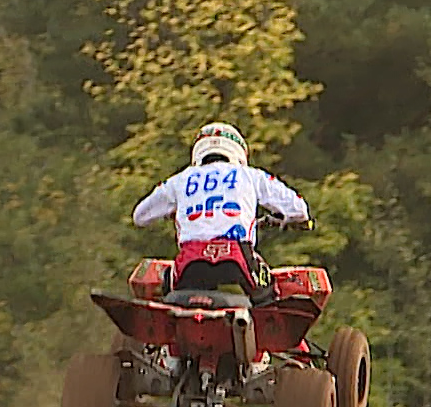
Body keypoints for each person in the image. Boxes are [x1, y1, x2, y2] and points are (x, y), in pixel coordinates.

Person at [131, 122, 313, 301]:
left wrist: (169, 212)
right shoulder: (251, 175)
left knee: (166, 292)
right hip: (237, 254)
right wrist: (295, 220)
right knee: (268, 295)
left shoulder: (179, 180)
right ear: (239, 151)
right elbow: (298, 209)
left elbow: (140, 216)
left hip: (190, 259)